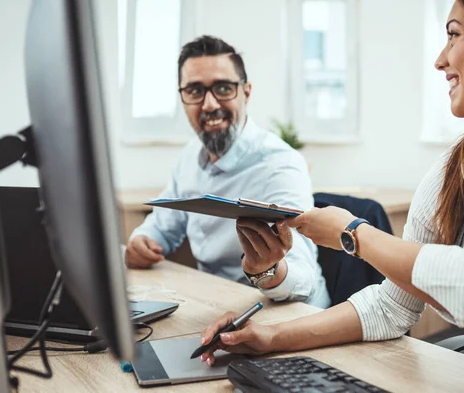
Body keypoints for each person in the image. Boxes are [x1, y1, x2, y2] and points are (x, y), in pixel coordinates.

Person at [199, 0, 464, 382]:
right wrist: (270, 337)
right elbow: (392, 305)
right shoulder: (457, 169)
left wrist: (352, 233)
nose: (440, 59)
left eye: (453, 35)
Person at [125, 36, 329, 308]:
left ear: (246, 92)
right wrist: (141, 241)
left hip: (285, 316)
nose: (209, 104)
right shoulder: (189, 157)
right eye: (195, 91)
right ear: (183, 98)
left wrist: (269, 272)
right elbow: (162, 226)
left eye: (223, 88)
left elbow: (304, 280)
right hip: (217, 306)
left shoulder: (280, 165)